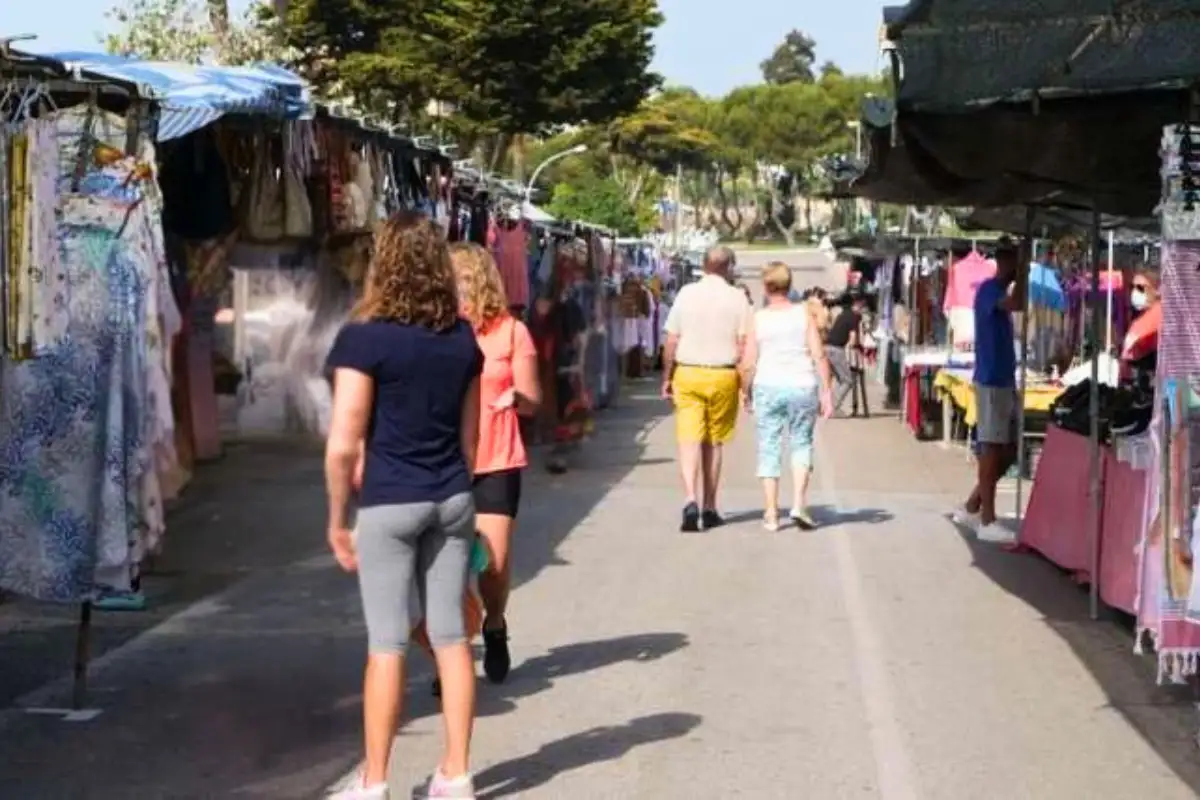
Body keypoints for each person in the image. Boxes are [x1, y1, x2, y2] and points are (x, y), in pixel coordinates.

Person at [324, 211, 483, 800]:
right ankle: (457, 773)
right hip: (452, 496)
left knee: (387, 643)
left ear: (382, 261)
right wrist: (459, 497)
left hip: (390, 500)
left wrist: (338, 518)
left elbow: (344, 443)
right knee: (450, 638)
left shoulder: (363, 338)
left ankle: (375, 782)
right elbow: (470, 442)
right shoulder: (463, 338)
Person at [449, 242, 541, 686]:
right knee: (446, 564)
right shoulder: (437, 331)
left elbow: (532, 398)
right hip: (445, 458)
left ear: (481, 280)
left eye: (463, 278)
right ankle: (453, 652)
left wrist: (516, 399)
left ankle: (496, 622)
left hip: (497, 457)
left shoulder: (510, 332)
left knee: (493, 561)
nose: (456, 287)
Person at [662, 246, 752, 532]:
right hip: (722, 374)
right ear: (728, 267)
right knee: (714, 442)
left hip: (688, 372)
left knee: (689, 439)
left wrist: (667, 375)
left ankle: (690, 498)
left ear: (704, 265)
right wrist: (745, 384)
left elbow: (672, 341)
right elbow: (743, 347)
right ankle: (710, 505)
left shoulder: (686, 294)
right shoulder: (738, 298)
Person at [742, 263, 835, 530]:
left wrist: (744, 390)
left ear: (765, 286)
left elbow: (749, 361)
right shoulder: (803, 316)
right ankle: (798, 503)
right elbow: (819, 355)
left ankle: (771, 512)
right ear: (790, 284)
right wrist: (827, 391)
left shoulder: (758, 319)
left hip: (768, 385)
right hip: (801, 385)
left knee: (769, 446)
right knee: (801, 443)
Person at [953, 237, 1027, 545]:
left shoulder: (996, 291)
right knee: (992, 448)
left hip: (1004, 380)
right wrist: (1023, 273)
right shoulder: (988, 291)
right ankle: (987, 519)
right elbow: (1017, 304)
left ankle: (973, 504)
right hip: (992, 381)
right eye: (1013, 262)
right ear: (1005, 262)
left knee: (1008, 451)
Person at [825, 294, 867, 416]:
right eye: (861, 306)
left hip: (827, 347)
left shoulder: (841, 315)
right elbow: (853, 339)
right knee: (848, 380)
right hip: (837, 349)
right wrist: (859, 346)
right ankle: (832, 408)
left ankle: (826, 405)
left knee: (839, 379)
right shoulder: (855, 317)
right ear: (856, 305)